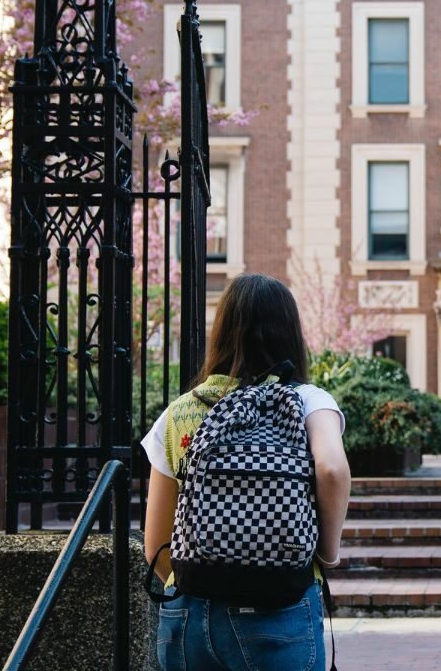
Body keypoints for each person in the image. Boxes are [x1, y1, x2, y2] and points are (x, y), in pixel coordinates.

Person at [142, 273, 351, 671]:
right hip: (278, 606)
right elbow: (332, 469)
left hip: (189, 613)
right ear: (290, 333)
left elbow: (156, 547)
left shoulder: (179, 412)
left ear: (222, 332)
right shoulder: (307, 401)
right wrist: (327, 551)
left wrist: (210, 574)